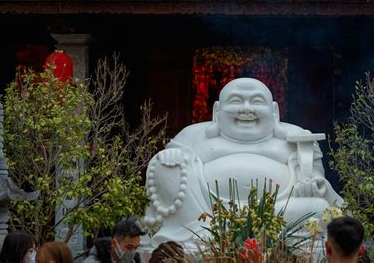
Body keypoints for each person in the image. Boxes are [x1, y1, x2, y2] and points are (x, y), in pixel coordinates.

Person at [143, 78, 343, 245]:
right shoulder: (192, 135)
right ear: (217, 110)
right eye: (236, 101)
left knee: (319, 208)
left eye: (256, 101)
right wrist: (171, 158)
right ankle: (202, 232)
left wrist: (312, 185)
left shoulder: (297, 136)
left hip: (277, 214)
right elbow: (163, 177)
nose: (246, 109)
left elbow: (317, 180)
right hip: (203, 215)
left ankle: (227, 232)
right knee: (164, 165)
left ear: (274, 111)